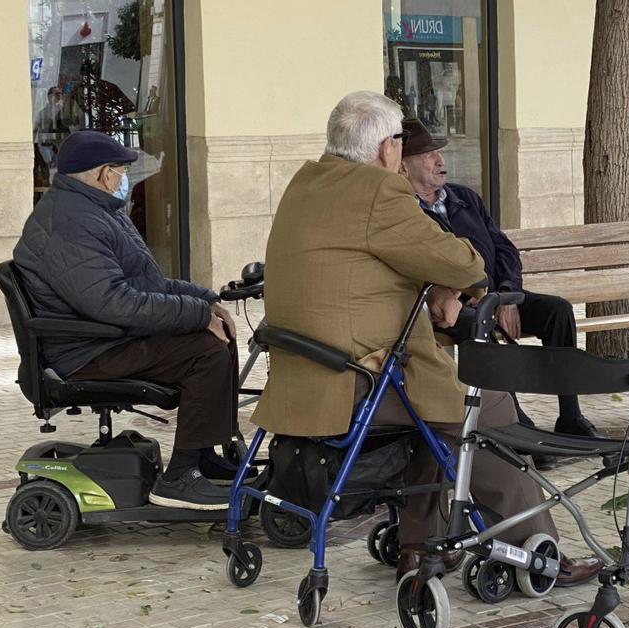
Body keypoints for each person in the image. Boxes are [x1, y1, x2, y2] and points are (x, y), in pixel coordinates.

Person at [253, 91, 601, 585]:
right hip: (354, 381)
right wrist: (448, 282)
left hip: (301, 375)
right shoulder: (377, 189)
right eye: (399, 140)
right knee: (483, 403)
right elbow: (465, 262)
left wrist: (433, 285)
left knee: (432, 405)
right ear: (385, 149)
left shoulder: (308, 182)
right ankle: (535, 551)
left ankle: (420, 547)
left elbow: (359, 261)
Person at [13, 130, 243, 511]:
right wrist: (195, 316)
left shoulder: (93, 210)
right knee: (206, 351)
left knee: (218, 337)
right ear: (104, 174)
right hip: (88, 350)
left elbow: (144, 283)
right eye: (120, 170)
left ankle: (201, 457)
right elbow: (114, 303)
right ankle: (180, 478)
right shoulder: (72, 224)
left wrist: (203, 301)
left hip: (105, 337)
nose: (124, 178)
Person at [397, 118, 602, 455]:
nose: (440, 160)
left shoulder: (464, 198)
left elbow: (504, 249)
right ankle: (516, 425)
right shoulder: (404, 211)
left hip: (497, 295)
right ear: (404, 166)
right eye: (428, 155)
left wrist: (507, 295)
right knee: (476, 324)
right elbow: (422, 267)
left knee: (557, 310)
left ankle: (570, 416)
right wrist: (470, 297)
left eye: (439, 153)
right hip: (450, 309)